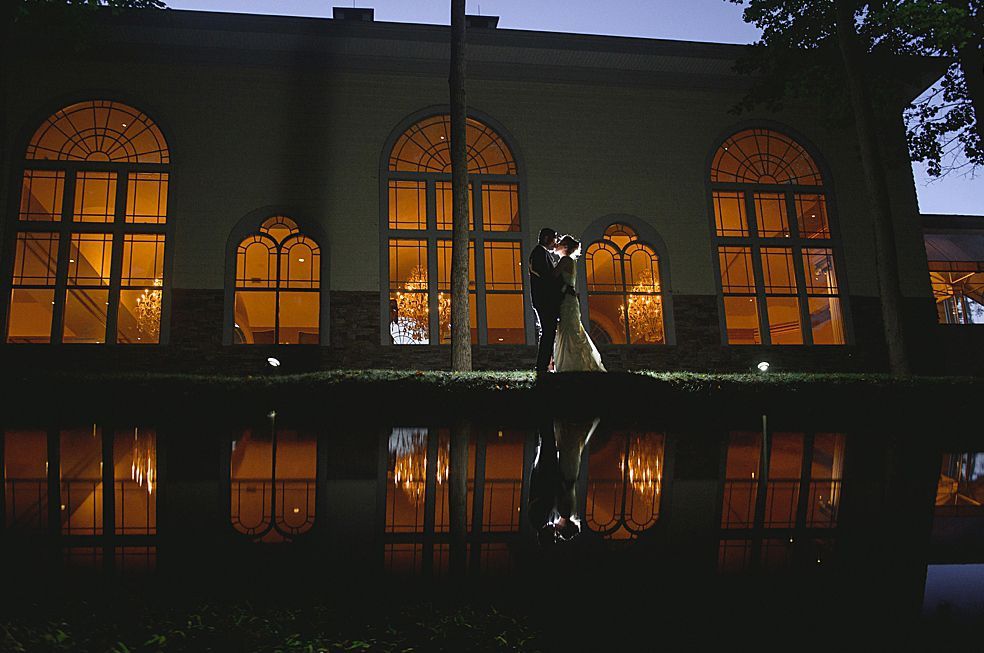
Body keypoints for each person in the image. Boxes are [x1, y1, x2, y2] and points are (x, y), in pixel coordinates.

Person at [553, 235, 606, 373]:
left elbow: (553, 275)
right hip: (569, 300)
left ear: (565, 247)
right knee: (570, 329)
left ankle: (570, 365)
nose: (556, 244)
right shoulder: (570, 261)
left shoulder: (565, 260)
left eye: (559, 243)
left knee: (568, 330)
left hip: (566, 301)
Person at [529, 228, 570, 375]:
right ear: (546, 238)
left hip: (544, 300)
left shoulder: (542, 253)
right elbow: (547, 278)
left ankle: (544, 365)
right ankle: (542, 366)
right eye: (554, 238)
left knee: (548, 332)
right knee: (547, 332)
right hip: (544, 300)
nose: (555, 242)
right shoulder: (539, 253)